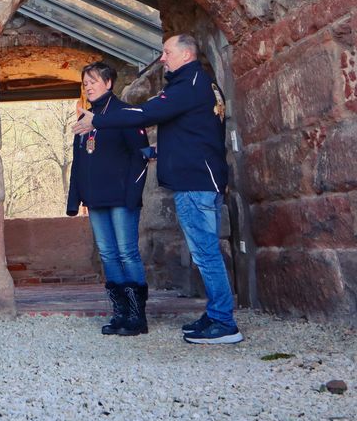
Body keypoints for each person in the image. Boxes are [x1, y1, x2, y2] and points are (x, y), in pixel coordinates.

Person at [73, 34, 243, 345]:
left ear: (186, 54)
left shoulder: (190, 84)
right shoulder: (193, 84)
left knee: (205, 253)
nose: (162, 58)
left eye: (167, 52)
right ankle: (216, 314)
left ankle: (224, 321)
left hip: (197, 182)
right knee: (202, 252)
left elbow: (148, 114)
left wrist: (99, 120)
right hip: (193, 180)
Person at [66, 62, 150, 336]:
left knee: (127, 252)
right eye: (85, 83)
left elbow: (141, 157)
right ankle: (120, 313)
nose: (88, 87)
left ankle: (137, 316)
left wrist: (132, 195)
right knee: (108, 254)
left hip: (122, 198)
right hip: (96, 200)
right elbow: (78, 162)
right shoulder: (85, 119)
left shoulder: (124, 114)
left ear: (108, 83)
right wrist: (74, 200)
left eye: (93, 81)